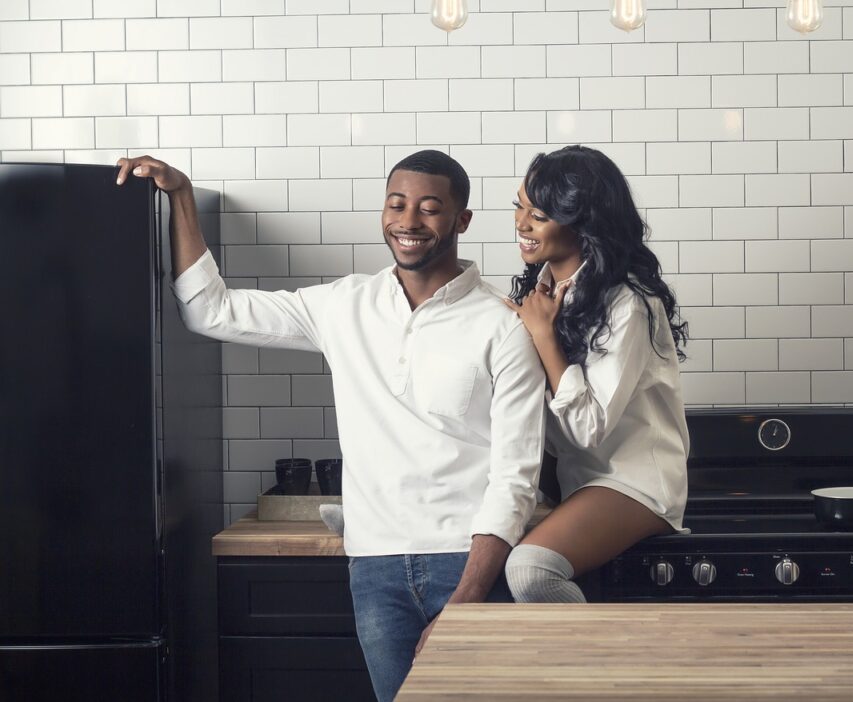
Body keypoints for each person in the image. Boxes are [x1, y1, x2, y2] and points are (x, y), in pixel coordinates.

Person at [116, 150, 546, 702]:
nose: (409, 221)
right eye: (397, 204)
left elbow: (515, 477)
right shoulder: (345, 304)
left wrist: (468, 597)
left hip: (468, 562)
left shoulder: (503, 325)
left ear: (461, 220)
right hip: (374, 567)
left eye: (430, 208)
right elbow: (210, 311)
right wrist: (181, 197)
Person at [502, 145, 690, 603]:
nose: (522, 224)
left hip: (633, 481)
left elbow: (588, 428)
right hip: (573, 480)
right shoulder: (540, 291)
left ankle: (594, 673)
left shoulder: (629, 302)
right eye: (520, 207)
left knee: (530, 571)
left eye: (539, 214)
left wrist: (543, 336)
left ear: (583, 221)